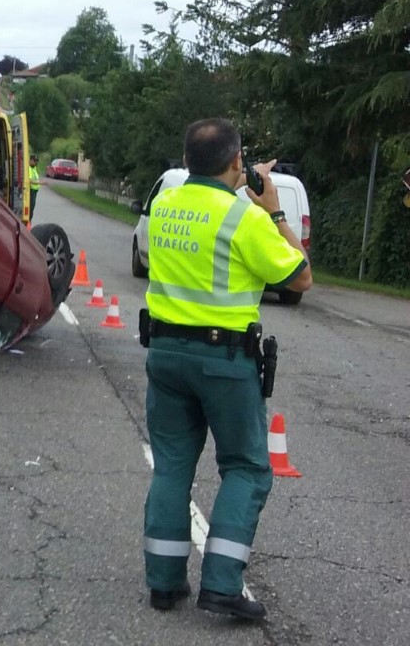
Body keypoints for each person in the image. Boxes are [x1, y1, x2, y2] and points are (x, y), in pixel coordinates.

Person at [141, 118, 311, 620]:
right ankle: (220, 585)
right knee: (247, 469)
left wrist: (241, 184)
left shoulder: (164, 205)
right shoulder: (246, 219)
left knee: (172, 465)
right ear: (236, 163)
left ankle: (164, 584)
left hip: (166, 354)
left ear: (189, 159)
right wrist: (274, 207)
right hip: (225, 360)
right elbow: (300, 278)